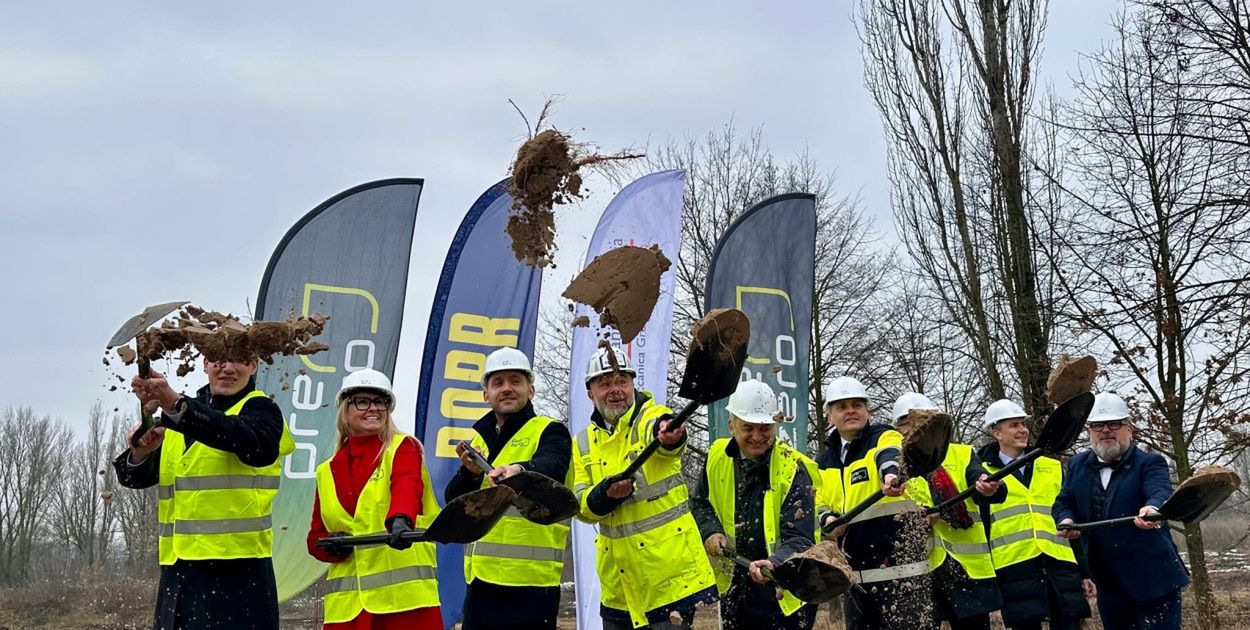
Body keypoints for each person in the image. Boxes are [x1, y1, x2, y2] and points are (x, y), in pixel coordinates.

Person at [115, 356, 295, 630]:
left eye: (240, 360)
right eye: (219, 360)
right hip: (177, 574)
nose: (228, 368)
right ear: (205, 364)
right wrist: (140, 453)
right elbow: (133, 478)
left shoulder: (261, 409)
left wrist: (174, 404)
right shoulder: (182, 415)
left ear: (254, 366)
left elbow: (251, 442)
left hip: (237, 574)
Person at [571, 345, 716, 629]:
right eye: (605, 383)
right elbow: (581, 505)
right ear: (590, 393)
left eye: (622, 381)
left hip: (669, 583)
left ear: (632, 384)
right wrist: (605, 495)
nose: (615, 389)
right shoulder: (582, 442)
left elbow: (663, 430)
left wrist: (669, 433)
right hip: (618, 589)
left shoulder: (652, 415)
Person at [444, 347, 572, 630]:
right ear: (485, 394)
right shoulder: (480, 442)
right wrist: (469, 473)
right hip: (481, 585)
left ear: (531, 390)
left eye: (515, 381)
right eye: (498, 382)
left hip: (532, 586)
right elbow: (453, 502)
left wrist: (521, 470)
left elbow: (552, 462)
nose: (507, 389)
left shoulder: (550, 430)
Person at [307, 369, 441, 629]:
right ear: (345, 410)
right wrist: (328, 547)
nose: (374, 408)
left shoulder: (403, 447)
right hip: (346, 612)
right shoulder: (325, 471)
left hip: (405, 606)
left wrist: (401, 520)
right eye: (362, 401)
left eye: (380, 402)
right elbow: (315, 536)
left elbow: (406, 484)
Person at [691, 379, 821, 630]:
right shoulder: (716, 457)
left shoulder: (792, 468)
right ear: (732, 425)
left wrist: (774, 562)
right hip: (736, 588)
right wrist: (710, 531)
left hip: (784, 592)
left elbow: (801, 538)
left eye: (765, 428)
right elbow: (699, 504)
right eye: (748, 428)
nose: (757, 437)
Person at [1054, 392, 1189, 630]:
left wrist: (1153, 509)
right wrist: (1066, 518)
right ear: (1089, 431)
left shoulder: (1150, 462)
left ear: (1129, 429)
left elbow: (1159, 491)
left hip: (1154, 581)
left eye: (1114, 424)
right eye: (1098, 425)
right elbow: (1064, 500)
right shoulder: (1077, 465)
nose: (1105, 430)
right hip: (1109, 583)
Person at [815, 377, 934, 630]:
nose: (850, 410)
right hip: (856, 579)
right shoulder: (823, 461)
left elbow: (890, 455)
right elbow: (818, 501)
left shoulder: (884, 436)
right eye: (842, 406)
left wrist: (892, 474)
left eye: (857, 404)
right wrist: (827, 520)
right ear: (830, 417)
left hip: (903, 575)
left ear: (867, 410)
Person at [892, 393, 1005, 630]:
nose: (916, 429)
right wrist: (917, 518)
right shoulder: (892, 464)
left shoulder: (962, 453)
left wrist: (988, 487)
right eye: (908, 423)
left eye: (923, 421)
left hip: (965, 569)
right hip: (920, 571)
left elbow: (980, 481)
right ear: (899, 429)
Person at [977, 399, 1091, 630]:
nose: (1023, 430)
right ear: (997, 433)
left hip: (1059, 564)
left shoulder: (1050, 466)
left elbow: (1070, 518)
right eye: (1014, 425)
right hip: (1013, 568)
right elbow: (982, 527)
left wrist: (1083, 571)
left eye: (1023, 424)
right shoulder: (982, 475)